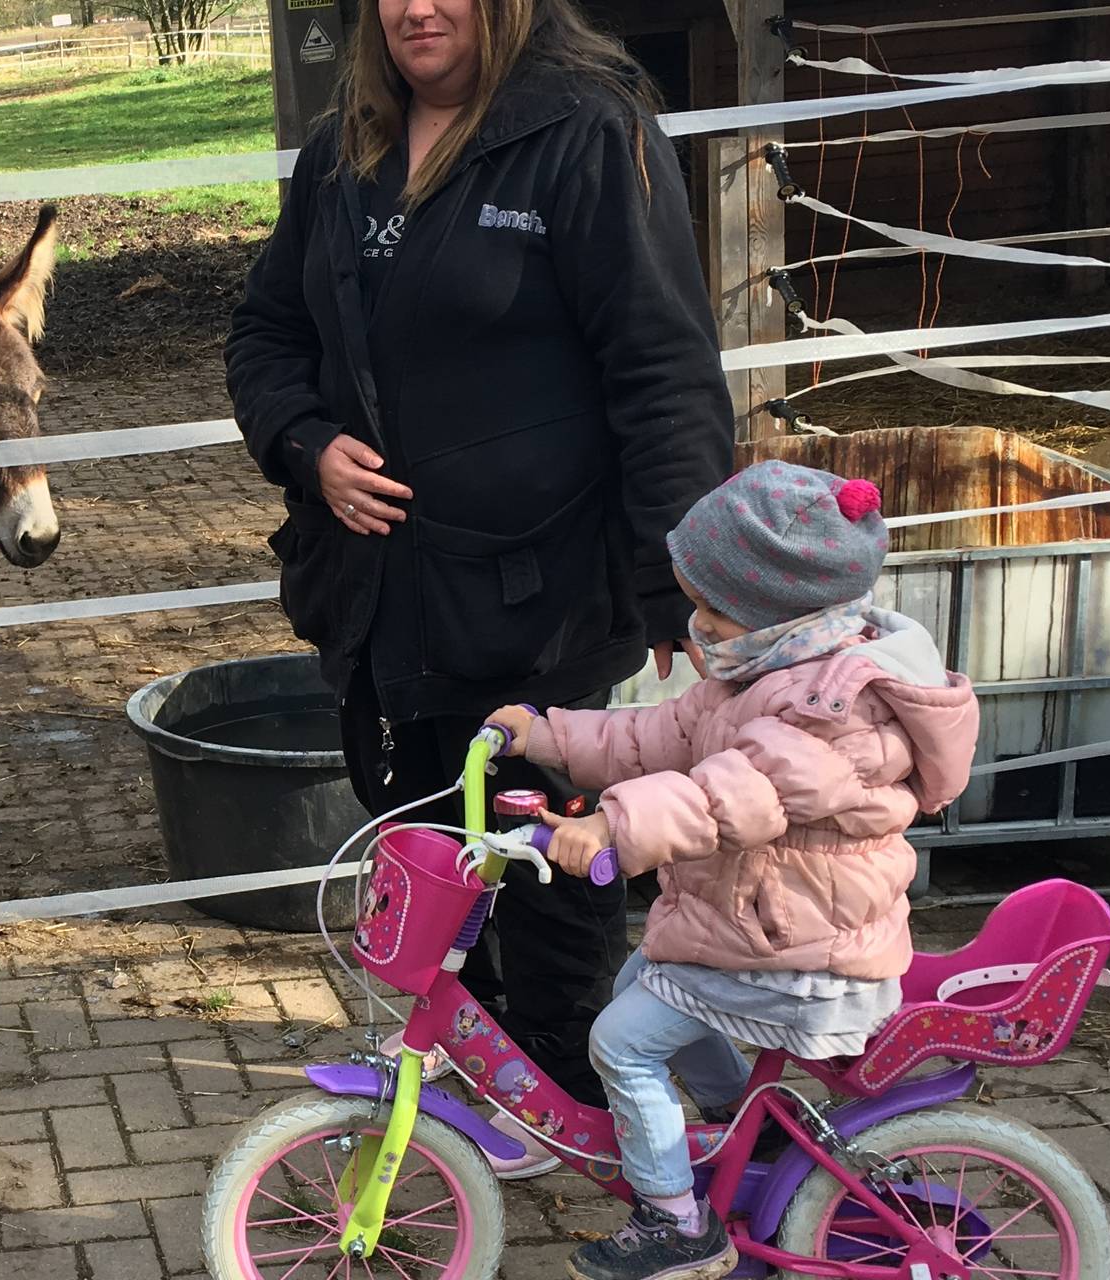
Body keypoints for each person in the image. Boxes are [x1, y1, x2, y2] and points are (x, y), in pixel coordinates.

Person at [225, 0, 733, 1168]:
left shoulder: (587, 135)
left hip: (544, 589)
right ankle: (481, 1056)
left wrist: (680, 580)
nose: (415, 9)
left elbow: (659, 368)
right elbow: (262, 332)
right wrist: (305, 442)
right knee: (431, 825)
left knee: (543, 840)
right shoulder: (341, 150)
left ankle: (554, 1074)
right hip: (388, 590)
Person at [487, 461, 981, 1280]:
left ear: (781, 613)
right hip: (762, 928)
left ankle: (678, 1225)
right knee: (639, 983)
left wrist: (615, 822)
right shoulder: (766, 672)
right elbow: (657, 737)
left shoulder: (832, 712)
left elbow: (735, 793)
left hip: (806, 953)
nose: (697, 624)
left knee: (622, 1043)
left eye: (713, 608)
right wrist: (548, 739)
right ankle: (741, 1118)